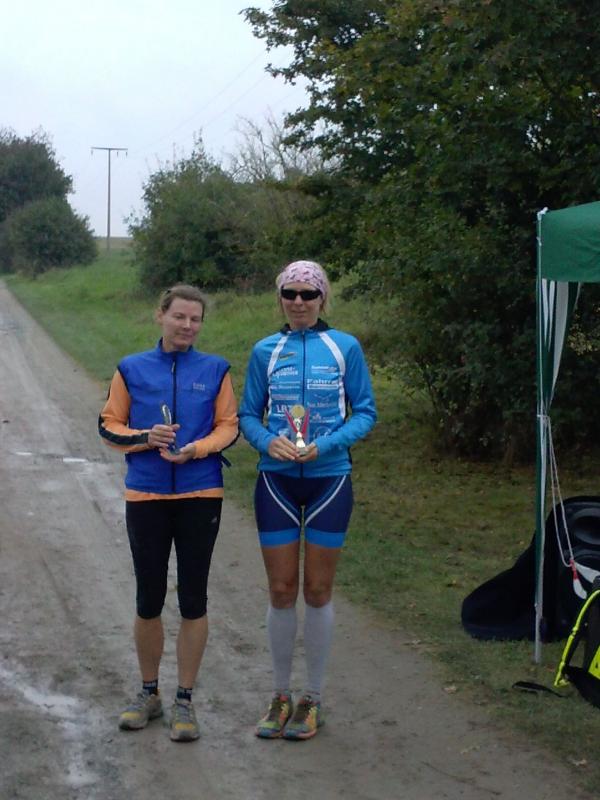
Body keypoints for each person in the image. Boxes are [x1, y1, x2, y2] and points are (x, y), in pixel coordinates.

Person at [239, 260, 377, 740]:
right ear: (280, 298)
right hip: (276, 479)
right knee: (281, 591)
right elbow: (247, 415)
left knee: (317, 590)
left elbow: (366, 411)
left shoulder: (344, 347)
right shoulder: (265, 350)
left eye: (307, 294)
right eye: (290, 294)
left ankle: (313, 698)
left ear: (322, 299)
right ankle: (280, 696)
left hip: (329, 479)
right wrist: (266, 441)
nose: (298, 302)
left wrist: (328, 445)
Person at [99, 284, 238, 742]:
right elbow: (108, 424)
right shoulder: (131, 368)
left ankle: (185, 700)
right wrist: (145, 437)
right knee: (148, 598)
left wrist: (197, 449)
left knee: (194, 599)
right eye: (179, 316)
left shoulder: (215, 369)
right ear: (160, 315)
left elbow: (229, 426)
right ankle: (148, 693)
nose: (187, 326)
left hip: (201, 494)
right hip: (147, 496)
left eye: (196, 319)